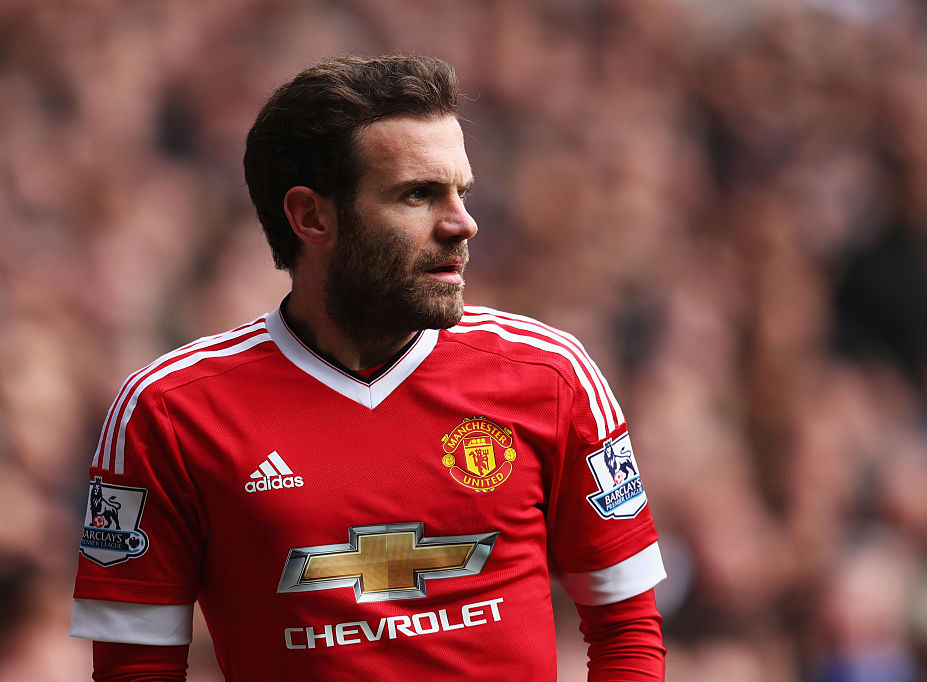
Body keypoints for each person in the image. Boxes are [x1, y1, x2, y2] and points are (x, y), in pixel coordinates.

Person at [70, 55, 667, 680]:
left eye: (461, 192)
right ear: (312, 216)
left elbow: (626, 630)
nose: (463, 224)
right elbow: (134, 669)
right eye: (418, 195)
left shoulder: (552, 376)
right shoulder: (171, 411)